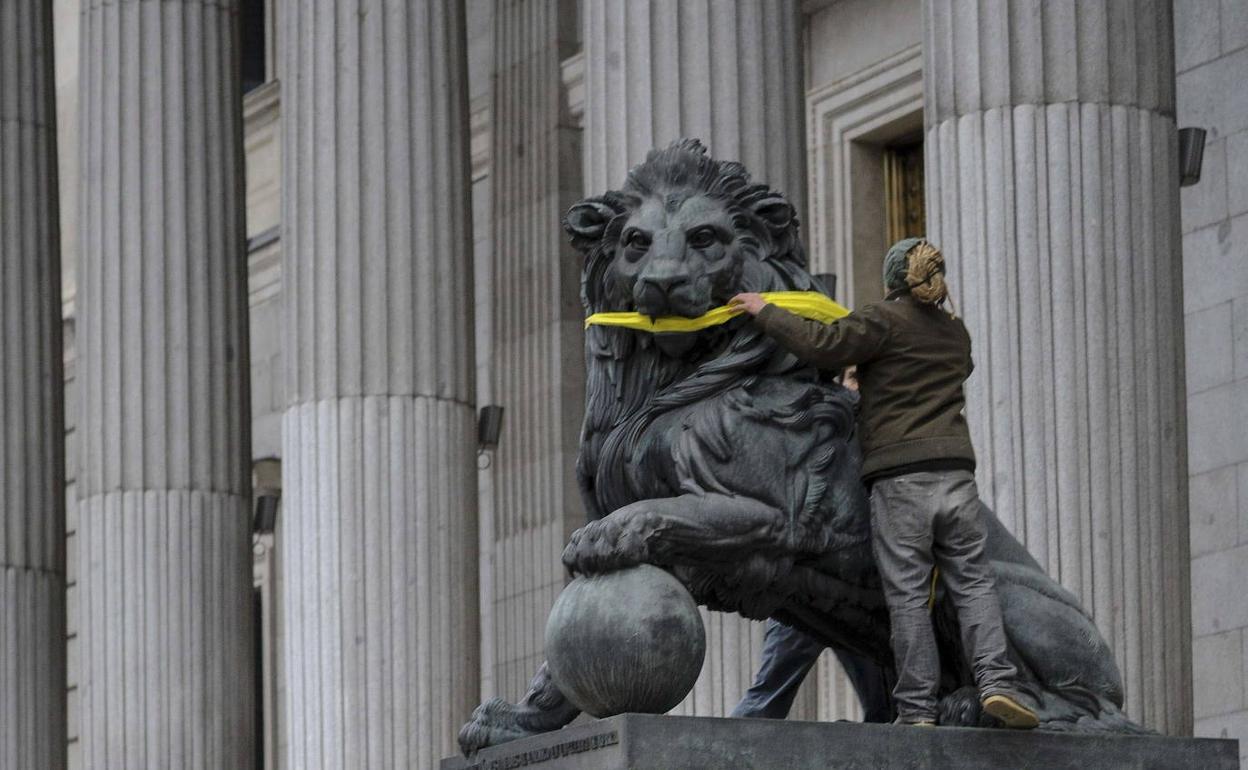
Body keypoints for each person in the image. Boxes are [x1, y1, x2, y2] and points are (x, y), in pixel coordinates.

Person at [729, 237, 1038, 729]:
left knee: (908, 595)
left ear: (893, 281)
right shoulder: (956, 333)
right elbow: (960, 367)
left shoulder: (882, 320)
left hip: (902, 479)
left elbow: (822, 345)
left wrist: (765, 311)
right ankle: (998, 683)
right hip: (957, 476)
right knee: (974, 584)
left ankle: (916, 709)